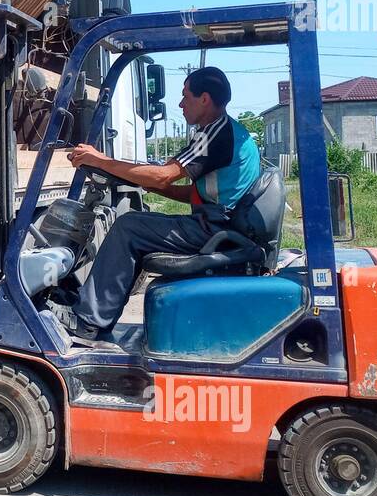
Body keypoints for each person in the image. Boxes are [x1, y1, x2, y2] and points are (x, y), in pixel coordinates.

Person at [48, 66, 261, 342]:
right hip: (220, 224)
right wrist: (153, 185)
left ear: (205, 99)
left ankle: (89, 321)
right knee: (139, 226)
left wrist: (97, 159)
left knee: (129, 227)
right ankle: (95, 312)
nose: (180, 104)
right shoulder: (225, 132)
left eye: (186, 97)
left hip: (215, 229)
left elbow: (164, 174)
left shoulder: (213, 134)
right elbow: (189, 191)